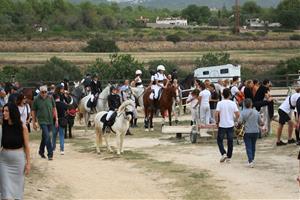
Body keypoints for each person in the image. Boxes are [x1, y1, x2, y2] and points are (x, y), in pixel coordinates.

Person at [0, 103, 30, 199]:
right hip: (3, 161)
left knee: (17, 191)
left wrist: (28, 163)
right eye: (3, 111)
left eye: (6, 111)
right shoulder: (2, 127)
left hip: (18, 161)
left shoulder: (22, 127)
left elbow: (27, 147)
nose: (4, 113)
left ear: (12, 112)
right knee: (5, 192)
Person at [32, 85, 58, 160]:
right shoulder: (36, 99)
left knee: (44, 137)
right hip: (42, 121)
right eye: (42, 92)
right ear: (40, 92)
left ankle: (41, 151)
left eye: (45, 92)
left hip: (50, 120)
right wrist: (34, 122)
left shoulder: (50, 98)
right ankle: (50, 154)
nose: (44, 94)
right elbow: (33, 111)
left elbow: (54, 108)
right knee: (47, 136)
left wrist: (56, 119)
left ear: (47, 92)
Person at [215, 88, 240, 163]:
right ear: (229, 95)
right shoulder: (233, 103)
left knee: (220, 140)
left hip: (222, 124)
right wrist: (235, 119)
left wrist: (217, 122)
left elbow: (216, 114)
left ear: (222, 94)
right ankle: (229, 157)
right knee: (230, 141)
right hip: (230, 124)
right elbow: (238, 114)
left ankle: (223, 153)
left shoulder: (219, 103)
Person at [239, 98, 263, 168]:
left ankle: (250, 160)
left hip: (247, 131)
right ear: (251, 104)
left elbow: (240, 122)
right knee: (253, 146)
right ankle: (252, 159)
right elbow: (260, 122)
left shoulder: (242, 112)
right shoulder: (256, 112)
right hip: (256, 131)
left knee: (248, 146)